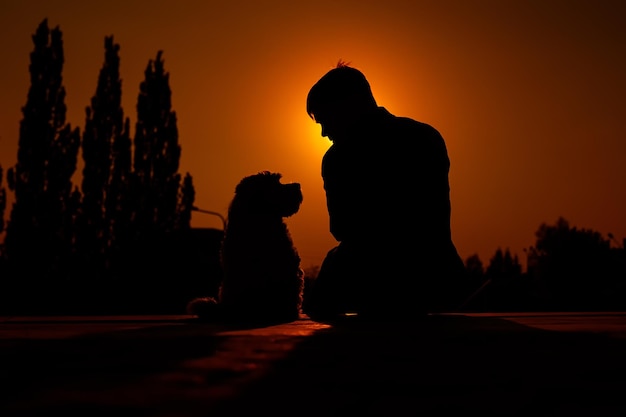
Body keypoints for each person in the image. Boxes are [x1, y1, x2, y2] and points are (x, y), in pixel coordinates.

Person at [302, 61, 468, 321]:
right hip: (439, 279)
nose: (324, 133)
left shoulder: (338, 158)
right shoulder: (425, 136)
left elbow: (342, 228)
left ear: (348, 106)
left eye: (326, 120)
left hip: (370, 283)